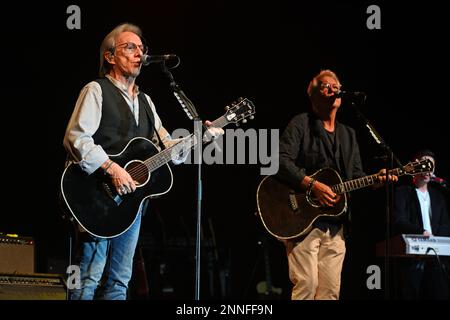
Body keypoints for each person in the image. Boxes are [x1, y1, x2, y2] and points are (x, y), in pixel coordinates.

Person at [63, 23, 223, 300]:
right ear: (110, 57)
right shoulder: (96, 90)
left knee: (120, 282)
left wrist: (201, 137)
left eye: (141, 48)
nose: (139, 53)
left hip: (131, 205)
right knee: (89, 276)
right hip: (95, 196)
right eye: (130, 47)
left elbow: (166, 148)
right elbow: (76, 137)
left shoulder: (147, 101)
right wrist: (112, 169)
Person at [277, 69, 397, 300]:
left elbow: (355, 176)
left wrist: (376, 180)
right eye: (326, 86)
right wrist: (313, 185)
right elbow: (280, 160)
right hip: (302, 221)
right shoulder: (301, 123)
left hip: (336, 225)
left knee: (330, 292)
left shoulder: (348, 135)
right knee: (307, 285)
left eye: (337, 85)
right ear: (314, 97)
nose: (334, 89)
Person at [394, 149, 450, 299]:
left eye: (431, 166)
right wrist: (421, 232)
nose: (428, 170)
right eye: (424, 165)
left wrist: (436, 241)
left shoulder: (438, 197)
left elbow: (445, 225)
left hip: (436, 259)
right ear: (415, 166)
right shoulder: (403, 192)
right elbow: (399, 220)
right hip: (413, 259)